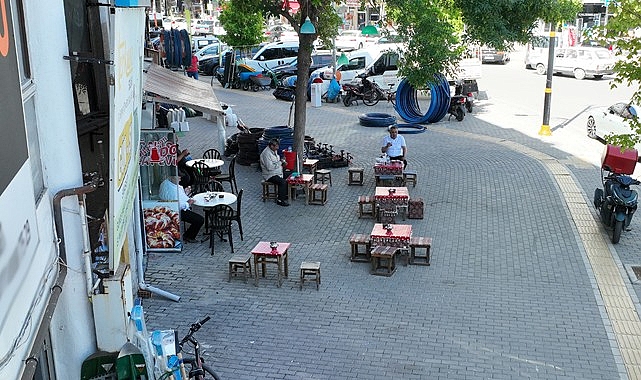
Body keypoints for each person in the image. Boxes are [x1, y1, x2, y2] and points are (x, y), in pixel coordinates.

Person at [158, 175, 204, 242]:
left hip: (174, 209)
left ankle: (188, 235)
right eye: (178, 178)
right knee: (199, 220)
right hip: (176, 211)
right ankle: (189, 236)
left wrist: (186, 194)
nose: (180, 180)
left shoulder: (168, 184)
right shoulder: (171, 189)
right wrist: (188, 203)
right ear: (172, 177)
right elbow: (177, 204)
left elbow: (181, 198)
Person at [260, 138, 290, 207]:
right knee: (282, 182)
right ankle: (280, 200)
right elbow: (270, 167)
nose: (278, 148)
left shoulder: (274, 151)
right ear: (271, 146)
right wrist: (281, 162)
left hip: (278, 172)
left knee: (291, 174)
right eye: (276, 146)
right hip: (270, 175)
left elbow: (276, 162)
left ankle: (286, 194)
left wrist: (283, 163)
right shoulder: (266, 154)